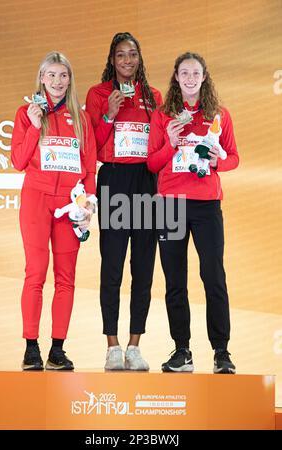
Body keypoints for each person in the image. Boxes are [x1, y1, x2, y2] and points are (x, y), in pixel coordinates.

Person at [147, 52, 239, 374]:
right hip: (170, 204)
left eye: (195, 73)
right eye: (183, 72)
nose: (189, 78)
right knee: (175, 280)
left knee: (213, 276)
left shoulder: (218, 115)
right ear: (175, 76)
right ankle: (182, 350)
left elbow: (233, 159)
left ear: (203, 77)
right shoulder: (163, 116)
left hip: (206, 204)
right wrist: (170, 142)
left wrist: (217, 161)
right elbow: (152, 164)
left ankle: (222, 352)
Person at [11, 51, 97, 371]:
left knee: (66, 278)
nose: (58, 82)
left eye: (63, 76)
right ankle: (31, 346)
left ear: (69, 80)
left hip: (68, 206)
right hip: (36, 200)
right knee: (35, 272)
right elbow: (18, 161)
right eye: (51, 75)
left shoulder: (82, 118)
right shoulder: (26, 113)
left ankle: (57, 349)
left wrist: (87, 205)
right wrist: (34, 126)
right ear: (41, 79)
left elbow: (89, 169)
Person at [86, 32, 162, 371]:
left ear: (140, 58)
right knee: (112, 266)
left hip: (147, 182)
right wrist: (109, 114)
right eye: (120, 55)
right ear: (112, 60)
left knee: (143, 267)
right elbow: (93, 145)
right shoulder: (98, 93)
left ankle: (134, 345)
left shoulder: (154, 96)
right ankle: (112, 345)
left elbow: (160, 145)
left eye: (132, 54)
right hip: (114, 180)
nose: (127, 61)